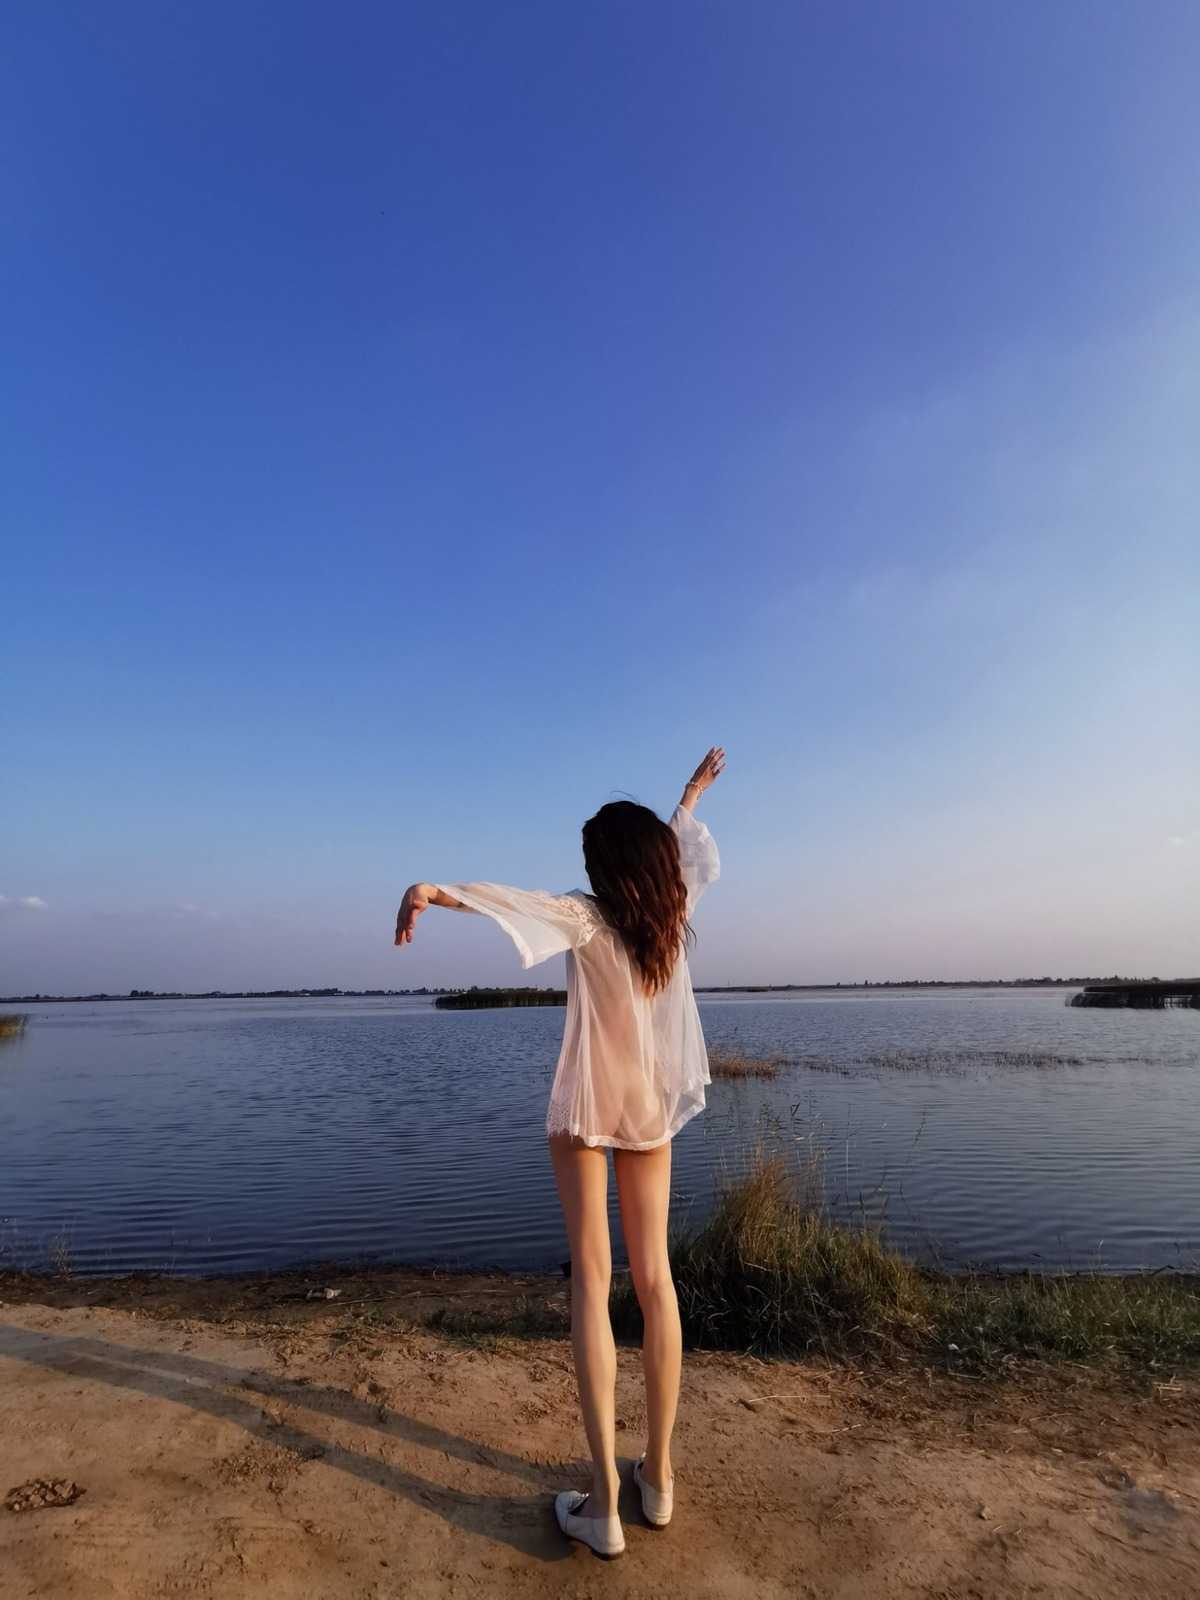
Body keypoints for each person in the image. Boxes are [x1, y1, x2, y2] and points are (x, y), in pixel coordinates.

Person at [393, 745, 725, 1560]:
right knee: (656, 1281)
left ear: (604, 868)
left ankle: (604, 1503)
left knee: (593, 1283)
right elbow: (681, 856)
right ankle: (659, 1479)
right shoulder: (669, 919)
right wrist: (687, 798)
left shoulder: (587, 916)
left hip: (585, 1110)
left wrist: (434, 891)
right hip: (646, 1109)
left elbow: (517, 904)